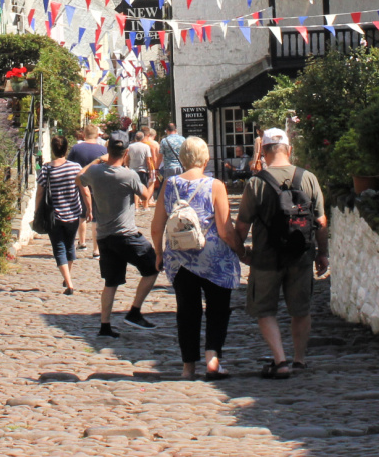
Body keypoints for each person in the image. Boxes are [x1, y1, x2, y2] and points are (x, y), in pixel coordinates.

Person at [235, 127, 328, 378]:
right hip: (301, 255)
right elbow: (321, 220)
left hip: (265, 258)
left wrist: (240, 251)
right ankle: (299, 359)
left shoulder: (256, 183)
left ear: (263, 152)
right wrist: (323, 253)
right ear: (289, 149)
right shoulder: (308, 178)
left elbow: (242, 225)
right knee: (301, 309)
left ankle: (280, 360)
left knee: (264, 309)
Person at [151, 136, 244, 380]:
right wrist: (241, 251)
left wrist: (159, 253)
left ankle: (188, 367)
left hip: (180, 258)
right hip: (213, 257)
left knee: (187, 311)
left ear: (182, 158)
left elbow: (156, 225)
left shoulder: (170, 184)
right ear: (206, 158)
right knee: (218, 309)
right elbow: (225, 229)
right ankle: (212, 359)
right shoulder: (215, 186)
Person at [78, 131, 158, 337]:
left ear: (108, 149)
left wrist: (96, 160)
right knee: (153, 266)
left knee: (110, 282)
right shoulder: (128, 175)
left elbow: (79, 178)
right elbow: (146, 195)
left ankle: (105, 326)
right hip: (126, 234)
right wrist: (154, 180)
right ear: (126, 152)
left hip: (104, 235)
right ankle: (135, 311)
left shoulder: (95, 172)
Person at [36, 134, 92, 295]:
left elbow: (40, 193)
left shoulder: (46, 168)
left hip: (54, 215)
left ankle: (69, 283)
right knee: (69, 245)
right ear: (66, 149)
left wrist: (36, 211)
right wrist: (89, 209)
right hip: (73, 214)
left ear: (52, 150)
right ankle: (68, 277)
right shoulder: (75, 168)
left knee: (59, 248)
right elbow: (85, 191)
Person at [67, 127, 109, 252]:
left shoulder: (76, 148)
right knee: (96, 219)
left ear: (84, 134)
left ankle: (82, 242)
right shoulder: (103, 150)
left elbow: (69, 165)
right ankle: (96, 250)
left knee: (82, 216)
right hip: (98, 186)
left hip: (81, 185)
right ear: (97, 135)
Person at [126, 129, 154, 209]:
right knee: (144, 187)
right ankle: (145, 206)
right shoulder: (146, 147)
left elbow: (127, 158)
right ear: (142, 138)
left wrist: (127, 165)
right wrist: (150, 170)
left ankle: (136, 206)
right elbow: (148, 160)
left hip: (132, 170)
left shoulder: (130, 146)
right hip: (143, 170)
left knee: (134, 188)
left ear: (135, 138)